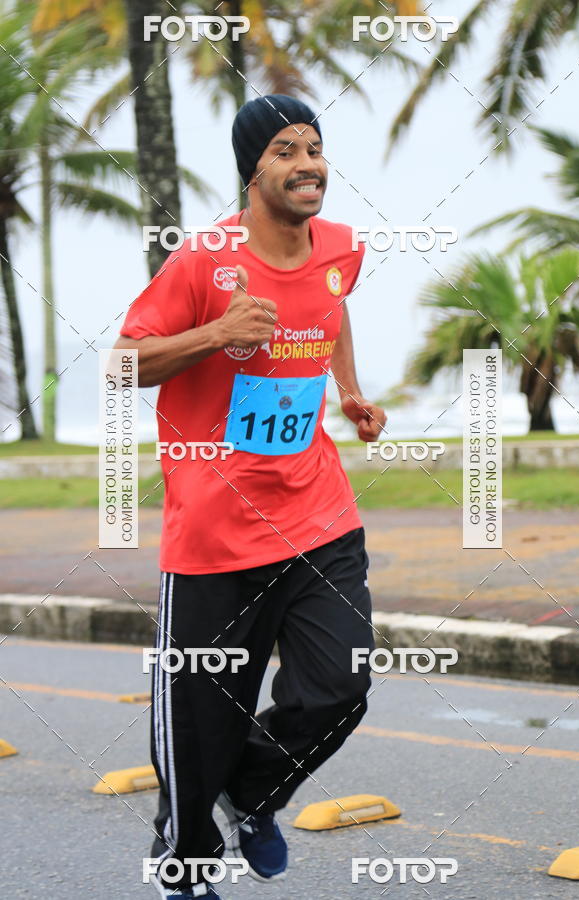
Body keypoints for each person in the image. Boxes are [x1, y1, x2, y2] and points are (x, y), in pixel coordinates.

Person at [115, 93, 386, 899]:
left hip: (317, 514)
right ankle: (186, 870)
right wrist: (213, 335)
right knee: (200, 726)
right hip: (215, 532)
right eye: (285, 152)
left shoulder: (342, 248)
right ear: (252, 170)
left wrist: (350, 391)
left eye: (314, 147)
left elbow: (328, 309)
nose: (308, 165)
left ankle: (255, 789)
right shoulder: (203, 260)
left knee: (339, 686)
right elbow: (123, 364)